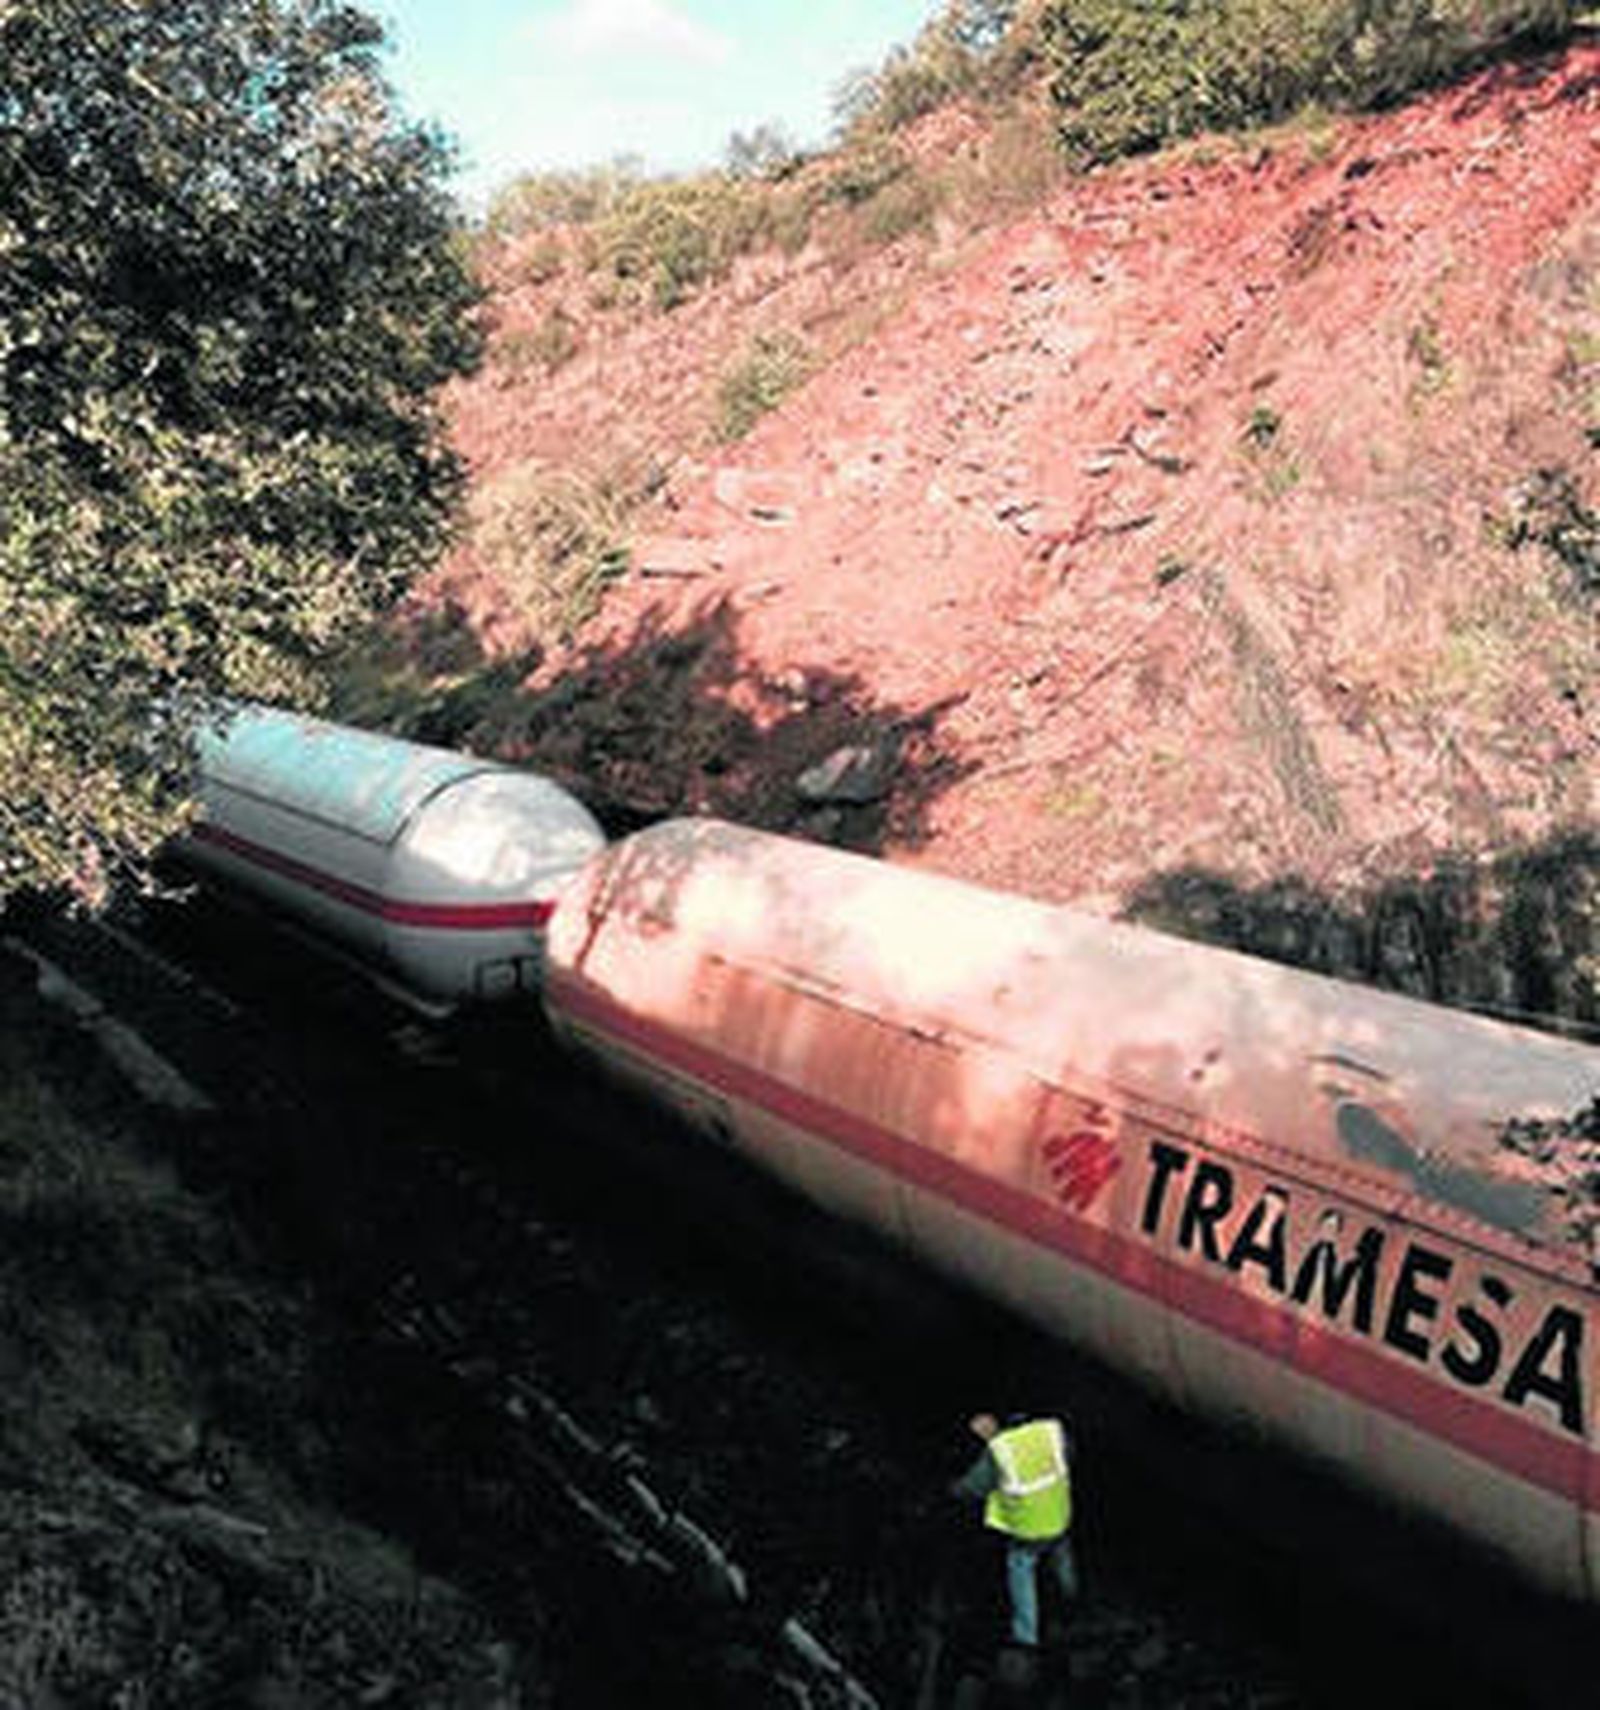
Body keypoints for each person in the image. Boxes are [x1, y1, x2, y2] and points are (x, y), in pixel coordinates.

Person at [951, 1411, 1078, 1652]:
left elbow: (972, 1488)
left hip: (1029, 1530)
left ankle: (1026, 1635)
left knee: (1021, 1566)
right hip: (1060, 1515)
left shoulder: (999, 1452)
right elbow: (1068, 1456)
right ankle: (1069, 1591)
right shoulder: (1049, 1434)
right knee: (1061, 1546)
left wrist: (953, 1491)